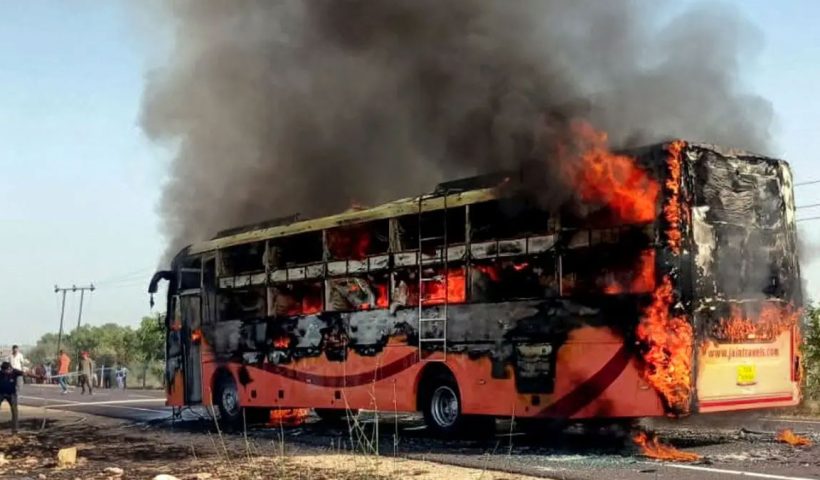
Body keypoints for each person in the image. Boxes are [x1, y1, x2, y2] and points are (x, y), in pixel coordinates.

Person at [0, 361, 38, 434]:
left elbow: (27, 374)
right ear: (3, 370)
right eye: (7, 370)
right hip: (1, 393)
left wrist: (38, 377)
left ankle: (15, 429)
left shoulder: (15, 371)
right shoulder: (0, 373)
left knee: (15, 411)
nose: (9, 371)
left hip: (12, 394)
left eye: (9, 369)